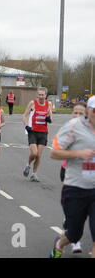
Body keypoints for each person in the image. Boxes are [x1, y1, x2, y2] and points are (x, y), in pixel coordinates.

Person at [49, 96, 95, 258]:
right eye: (94, 111)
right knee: (75, 234)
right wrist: (79, 153)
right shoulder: (74, 126)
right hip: (75, 188)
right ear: (88, 111)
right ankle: (60, 243)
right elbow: (54, 152)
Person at [57, 102, 87, 254]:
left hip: (89, 176)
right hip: (68, 171)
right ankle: (75, 240)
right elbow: (55, 152)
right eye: (75, 113)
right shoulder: (69, 129)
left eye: (81, 113)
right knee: (75, 209)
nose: (77, 116)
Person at [22, 87, 53, 182]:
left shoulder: (49, 104)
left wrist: (49, 119)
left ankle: (34, 174)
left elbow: (51, 117)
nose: (40, 96)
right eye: (39, 95)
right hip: (33, 131)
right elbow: (24, 115)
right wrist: (26, 126)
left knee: (39, 155)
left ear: (46, 95)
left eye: (42, 95)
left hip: (43, 132)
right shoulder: (33, 103)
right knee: (34, 153)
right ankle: (28, 165)